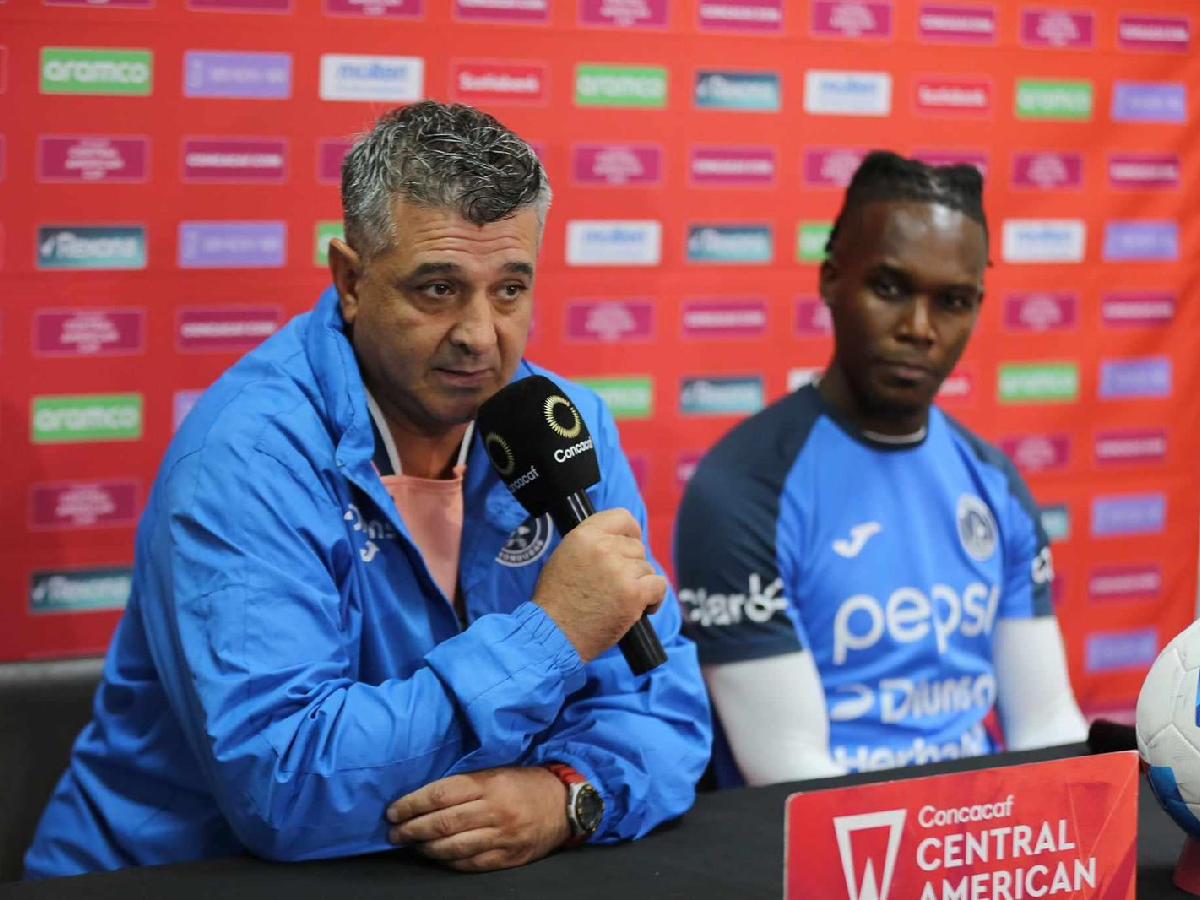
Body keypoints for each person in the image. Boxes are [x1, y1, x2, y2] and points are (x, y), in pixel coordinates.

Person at [25, 102, 711, 879]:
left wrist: (566, 796)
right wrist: (551, 637)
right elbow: (284, 786)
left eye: (510, 290)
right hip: (173, 881)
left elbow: (664, 706)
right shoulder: (248, 455)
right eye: (438, 290)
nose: (481, 335)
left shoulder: (565, 426)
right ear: (351, 280)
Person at [674, 151, 1087, 788]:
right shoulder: (742, 489)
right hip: (819, 858)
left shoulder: (996, 485)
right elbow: (789, 773)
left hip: (981, 844)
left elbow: (1047, 723)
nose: (919, 329)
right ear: (831, 279)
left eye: (952, 301)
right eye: (890, 289)